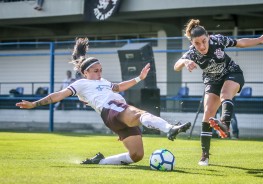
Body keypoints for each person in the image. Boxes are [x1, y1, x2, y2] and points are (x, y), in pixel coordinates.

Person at [16, 37, 191, 165]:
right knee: (139, 113)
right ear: (85, 73)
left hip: (113, 117)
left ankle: (99, 162)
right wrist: (34, 104)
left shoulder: (104, 82)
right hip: (112, 109)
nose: (99, 73)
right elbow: (58, 95)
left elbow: (119, 87)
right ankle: (170, 128)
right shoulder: (81, 83)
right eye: (95, 71)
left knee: (136, 155)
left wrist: (139, 78)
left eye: (100, 70)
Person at [174, 19, 263, 166]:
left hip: (232, 73)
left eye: (204, 41)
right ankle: (205, 155)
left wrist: (258, 40)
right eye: (197, 43)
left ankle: (225, 123)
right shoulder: (192, 53)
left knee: (225, 94)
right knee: (207, 114)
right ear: (192, 43)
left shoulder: (218, 40)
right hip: (212, 81)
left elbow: (240, 42)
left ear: (209, 37)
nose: (202, 46)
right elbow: (176, 66)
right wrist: (185, 62)